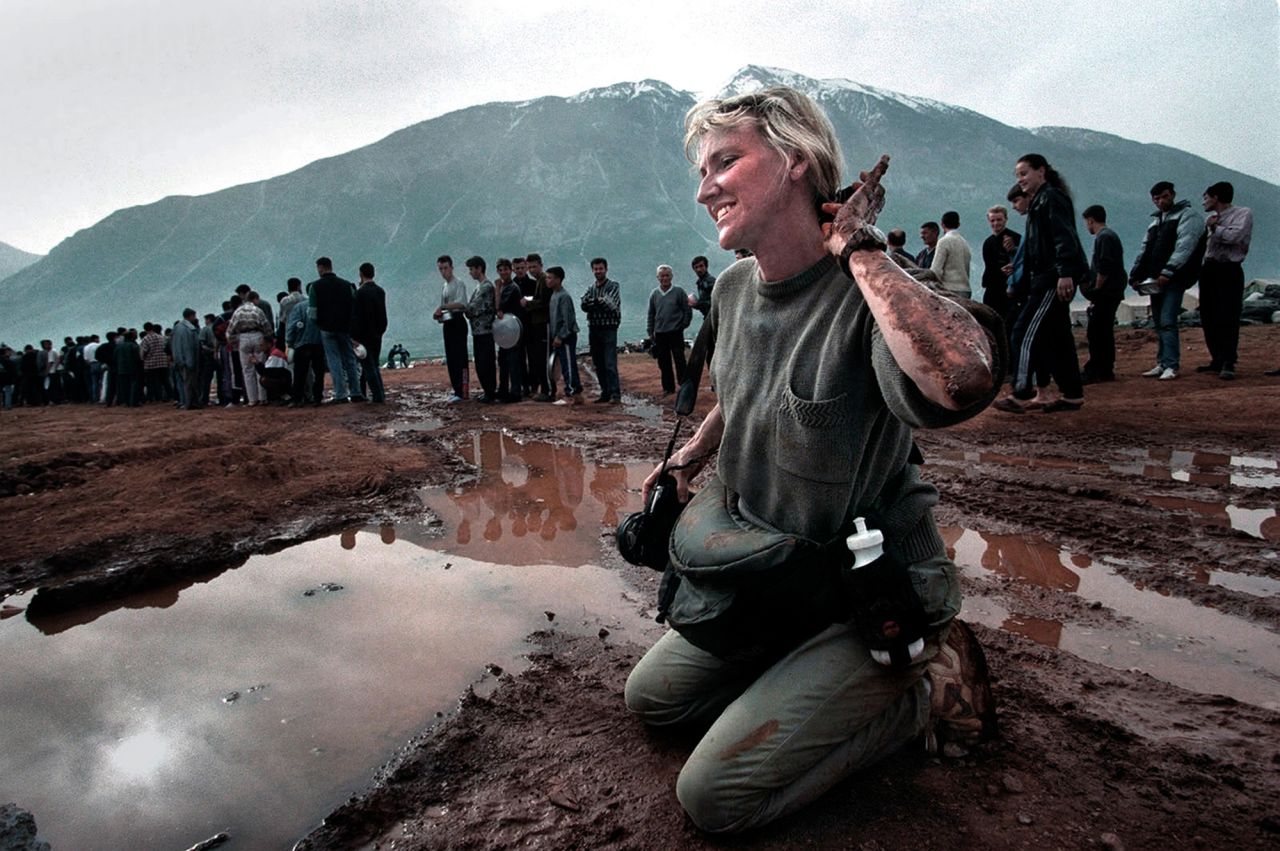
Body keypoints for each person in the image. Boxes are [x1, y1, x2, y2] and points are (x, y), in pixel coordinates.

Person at [624, 84, 1001, 834]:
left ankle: (930, 682)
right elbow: (751, 381)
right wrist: (700, 446)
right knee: (653, 698)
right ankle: (806, 677)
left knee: (715, 797)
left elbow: (960, 379)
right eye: (702, 171)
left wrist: (860, 247)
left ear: (797, 161)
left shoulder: (869, 292)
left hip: (871, 591)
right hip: (777, 581)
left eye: (725, 162)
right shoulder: (733, 289)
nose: (705, 190)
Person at [994, 154, 1089, 413]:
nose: (1020, 180)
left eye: (1024, 173)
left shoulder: (1051, 199)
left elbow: (1064, 237)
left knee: (1023, 331)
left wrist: (1065, 272)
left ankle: (1021, 392)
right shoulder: (1041, 202)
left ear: (1041, 171)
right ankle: (1072, 394)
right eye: (1017, 176)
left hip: (1050, 280)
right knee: (1057, 337)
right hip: (1046, 278)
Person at [1128, 181, 1206, 381]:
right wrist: (1136, 275)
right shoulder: (1156, 222)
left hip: (1175, 278)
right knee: (1159, 321)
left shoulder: (1188, 216)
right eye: (1156, 198)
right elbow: (1145, 250)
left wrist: (1169, 271)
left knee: (1168, 320)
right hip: (1156, 280)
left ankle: (1171, 364)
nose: (1160, 201)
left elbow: (1185, 246)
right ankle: (1163, 362)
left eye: (1164, 196)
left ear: (1172, 194)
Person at [1197, 181, 1252, 380]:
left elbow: (1235, 237)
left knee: (1228, 315)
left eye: (1206, 197)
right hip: (1210, 269)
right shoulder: (1211, 219)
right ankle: (1217, 358)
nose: (1203, 202)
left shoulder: (1242, 214)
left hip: (1229, 269)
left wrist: (1216, 227)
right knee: (1208, 315)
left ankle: (1229, 360)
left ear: (1216, 197)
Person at [1080, 205, 1126, 383]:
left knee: (1097, 332)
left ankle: (1100, 369)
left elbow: (1104, 266)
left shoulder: (1104, 237)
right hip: (1112, 292)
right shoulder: (1109, 236)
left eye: (1087, 223)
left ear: (1091, 220)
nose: (1087, 226)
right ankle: (1103, 368)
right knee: (1102, 330)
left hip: (1107, 293)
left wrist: (1096, 291)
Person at [310, 256, 362, 403]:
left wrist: (319, 324)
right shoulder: (347, 285)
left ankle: (340, 394)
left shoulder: (316, 287)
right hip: (345, 328)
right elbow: (355, 307)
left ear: (320, 268)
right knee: (350, 359)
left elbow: (312, 313)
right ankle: (356, 391)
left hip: (326, 328)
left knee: (334, 361)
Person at [647, 264, 693, 394]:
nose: (665, 278)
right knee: (664, 362)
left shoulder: (678, 292)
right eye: (662, 276)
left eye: (667, 275)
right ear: (658, 278)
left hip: (675, 332)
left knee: (680, 360)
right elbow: (651, 313)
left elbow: (687, 309)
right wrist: (650, 331)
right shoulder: (654, 294)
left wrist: (683, 324)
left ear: (671, 276)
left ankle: (683, 385)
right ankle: (668, 388)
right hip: (660, 333)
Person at [581, 257, 621, 404]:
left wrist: (594, 303)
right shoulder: (591, 288)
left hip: (609, 328)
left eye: (601, 268)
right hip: (594, 328)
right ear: (592, 270)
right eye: (596, 269)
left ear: (606, 269)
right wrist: (599, 301)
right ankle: (606, 392)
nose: (598, 271)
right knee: (598, 363)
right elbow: (584, 305)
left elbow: (611, 305)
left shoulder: (613, 286)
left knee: (610, 362)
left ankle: (615, 394)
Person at [433, 255, 471, 403]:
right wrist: (439, 315)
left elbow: (462, 303)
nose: (443, 272)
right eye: (441, 269)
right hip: (448, 322)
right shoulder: (444, 286)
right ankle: (457, 389)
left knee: (460, 357)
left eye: (445, 268)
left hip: (458, 322)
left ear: (451, 267)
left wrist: (443, 307)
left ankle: (463, 390)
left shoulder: (458, 283)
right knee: (452, 358)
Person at [227, 292, 274, 406]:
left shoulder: (238, 312)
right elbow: (266, 326)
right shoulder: (257, 310)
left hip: (243, 338)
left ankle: (252, 399)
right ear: (255, 299)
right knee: (260, 368)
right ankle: (262, 397)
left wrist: (234, 341)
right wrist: (268, 339)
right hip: (257, 336)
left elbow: (230, 330)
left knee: (247, 370)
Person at [546, 265, 583, 405]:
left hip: (566, 337)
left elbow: (568, 321)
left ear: (558, 279)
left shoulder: (564, 296)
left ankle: (571, 394)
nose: (547, 280)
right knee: (567, 364)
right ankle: (576, 391)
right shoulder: (554, 295)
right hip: (558, 337)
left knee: (568, 365)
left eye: (550, 278)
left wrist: (560, 336)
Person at [352, 261, 388, 403]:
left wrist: (354, 337)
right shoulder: (380, 291)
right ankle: (380, 394)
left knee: (368, 366)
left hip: (363, 335)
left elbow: (356, 317)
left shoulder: (360, 293)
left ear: (361, 274)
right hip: (377, 333)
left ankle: (377, 396)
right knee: (375, 365)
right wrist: (380, 331)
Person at [981, 205, 1020, 333]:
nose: (996, 223)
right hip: (992, 289)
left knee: (1009, 327)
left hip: (1010, 290)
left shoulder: (1015, 238)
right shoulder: (988, 242)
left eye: (999, 220)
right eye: (993, 220)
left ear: (1005, 219)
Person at [463, 256, 498, 403]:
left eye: (472, 269)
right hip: (478, 331)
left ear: (479, 268)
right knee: (481, 363)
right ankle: (487, 390)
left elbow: (472, 308)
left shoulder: (486, 287)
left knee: (485, 363)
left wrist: (464, 309)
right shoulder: (479, 287)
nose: (470, 273)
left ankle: (490, 391)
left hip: (485, 331)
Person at [494, 258, 526, 402]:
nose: (503, 273)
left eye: (506, 270)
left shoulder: (511, 288)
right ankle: (503, 389)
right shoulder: (503, 286)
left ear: (510, 270)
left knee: (513, 361)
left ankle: (515, 392)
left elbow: (499, 305)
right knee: (503, 360)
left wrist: (496, 289)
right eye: (501, 270)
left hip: (513, 329)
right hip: (504, 331)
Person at [523, 252, 553, 402]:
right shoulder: (539, 281)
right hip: (537, 323)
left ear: (540, 265)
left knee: (543, 358)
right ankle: (544, 388)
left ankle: (547, 390)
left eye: (534, 267)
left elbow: (544, 303)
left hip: (543, 323)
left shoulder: (543, 280)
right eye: (530, 267)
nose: (532, 270)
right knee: (538, 358)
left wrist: (528, 304)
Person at [929, 211, 972, 299]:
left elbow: (936, 270)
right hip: (966, 290)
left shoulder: (944, 241)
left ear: (942, 224)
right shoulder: (965, 243)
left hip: (949, 290)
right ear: (958, 224)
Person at [171, 308, 202, 409]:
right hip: (189, 360)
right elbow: (189, 347)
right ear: (190, 316)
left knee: (183, 383)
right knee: (190, 383)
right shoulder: (189, 329)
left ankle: (185, 402)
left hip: (179, 359)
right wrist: (190, 361)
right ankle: (190, 403)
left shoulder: (177, 328)